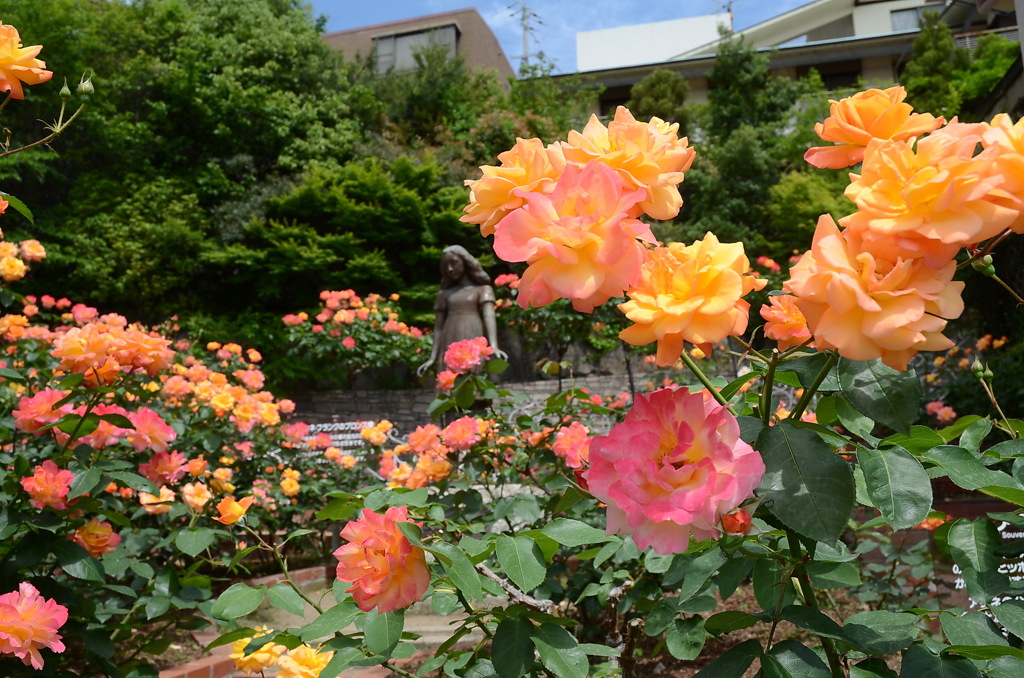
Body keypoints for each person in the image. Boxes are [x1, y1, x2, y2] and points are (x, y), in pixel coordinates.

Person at [417, 245, 506, 376]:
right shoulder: (444, 294)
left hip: (473, 332)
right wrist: (433, 357)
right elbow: (438, 327)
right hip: (449, 334)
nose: (450, 269)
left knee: (474, 372)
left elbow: (489, 316)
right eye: (446, 266)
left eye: (454, 263)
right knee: (450, 375)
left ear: (466, 262)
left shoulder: (483, 290)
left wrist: (494, 346)